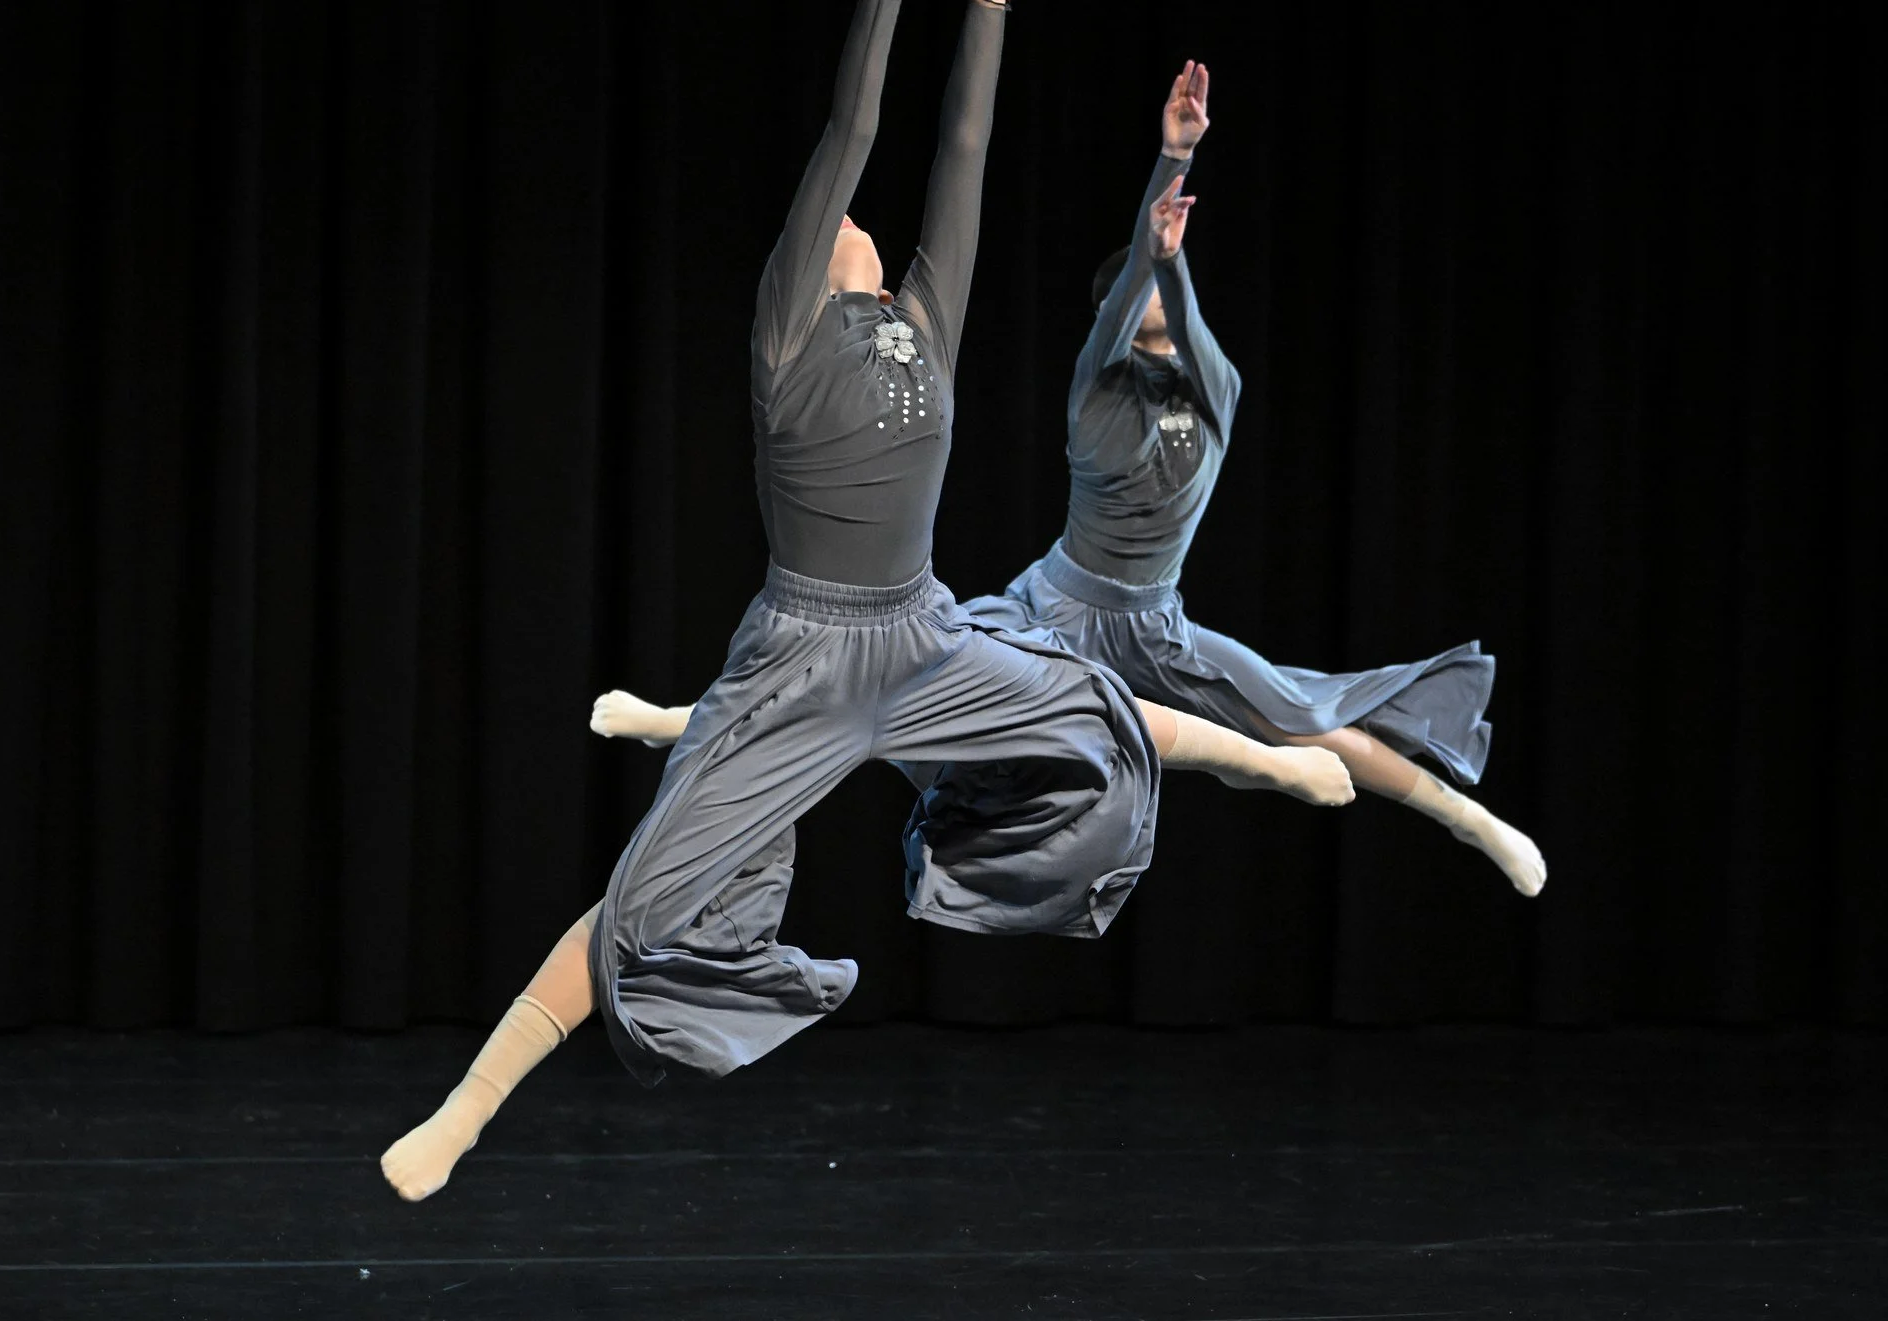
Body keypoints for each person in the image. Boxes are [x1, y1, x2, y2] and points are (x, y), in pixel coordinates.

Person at [382, 2, 1347, 1205]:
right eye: (832, 217)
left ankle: (1263, 760)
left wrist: (991, 17)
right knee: (646, 892)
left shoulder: (925, 324)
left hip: (920, 636)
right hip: (802, 651)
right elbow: (853, 126)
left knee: (1087, 704)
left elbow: (963, 148)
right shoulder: (787, 330)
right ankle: (464, 1111)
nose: (847, 216)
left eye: (853, 218)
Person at [593, 60, 1545, 897]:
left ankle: (1471, 821)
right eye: (1138, 299)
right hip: (1058, 607)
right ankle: (685, 719)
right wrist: (1167, 178)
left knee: (1305, 724)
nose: (1150, 301)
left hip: (1158, 622)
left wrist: (1172, 258)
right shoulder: (1098, 392)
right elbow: (1129, 297)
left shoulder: (1214, 390)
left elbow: (1183, 317)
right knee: (891, 693)